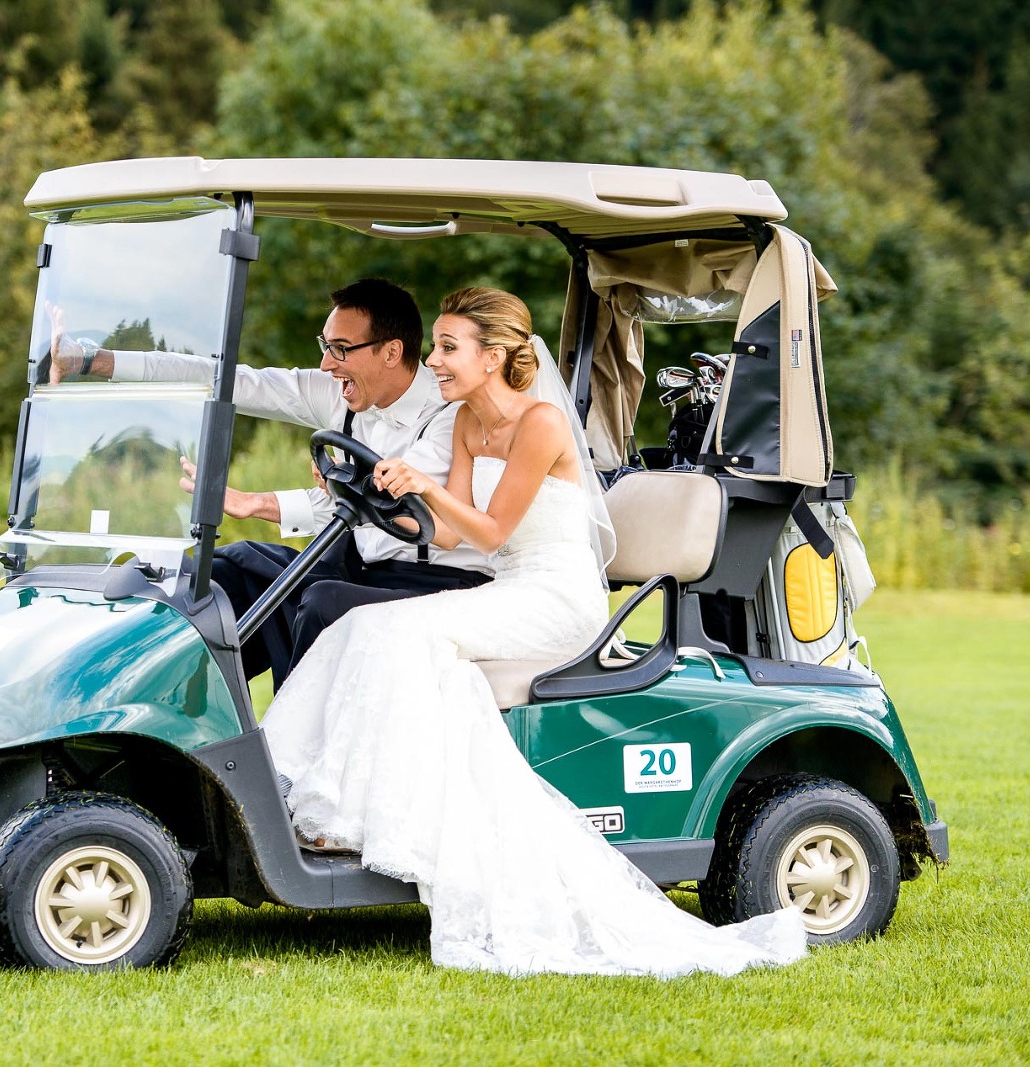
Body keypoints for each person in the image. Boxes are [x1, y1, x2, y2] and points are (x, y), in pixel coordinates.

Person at [262, 287, 808, 978]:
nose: (435, 360)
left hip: (556, 594)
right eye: (436, 346)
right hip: (509, 584)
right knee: (359, 625)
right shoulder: (464, 422)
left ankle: (347, 811)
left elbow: (493, 530)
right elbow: (452, 532)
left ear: (493, 356)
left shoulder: (541, 424)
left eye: (448, 348)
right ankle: (302, 792)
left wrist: (422, 488)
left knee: (389, 634)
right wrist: (381, 497)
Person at [50, 278, 492, 687]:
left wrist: (279, 499)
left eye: (340, 349)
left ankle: (289, 743)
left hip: (435, 579)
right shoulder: (339, 392)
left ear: (391, 352)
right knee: (230, 568)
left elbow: (387, 505)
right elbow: (229, 380)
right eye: (326, 345)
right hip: (361, 566)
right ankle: (167, 704)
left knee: (320, 599)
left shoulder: (449, 415)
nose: (325, 363)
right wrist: (93, 360)